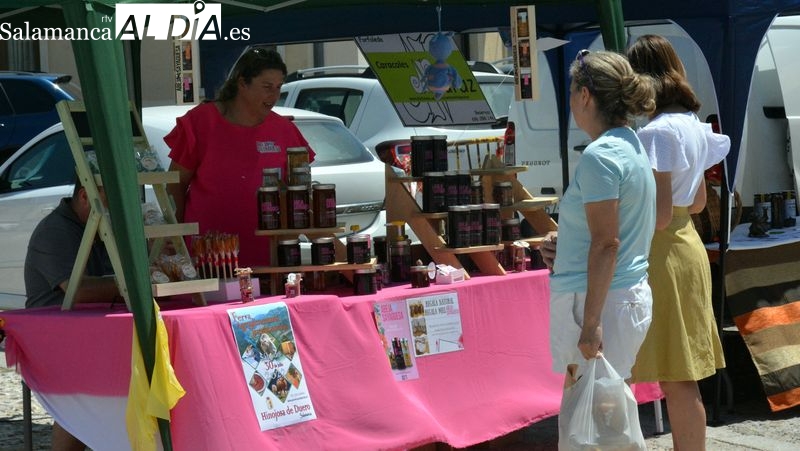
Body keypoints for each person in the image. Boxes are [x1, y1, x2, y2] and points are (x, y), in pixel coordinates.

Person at [627, 34, 729, 450]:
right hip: (688, 247)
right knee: (681, 374)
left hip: (663, 253)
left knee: (676, 376)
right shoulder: (692, 126)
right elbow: (700, 201)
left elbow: (660, 214)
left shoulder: (656, 133)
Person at [542, 50, 656, 390]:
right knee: (605, 417)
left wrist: (590, 325)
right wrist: (565, 248)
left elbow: (607, 242)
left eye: (573, 90)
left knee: (590, 426)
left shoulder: (601, 155)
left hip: (599, 300)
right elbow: (612, 232)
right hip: (619, 294)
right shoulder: (629, 144)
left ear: (585, 95)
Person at [165, 48, 315, 267]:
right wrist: (174, 237)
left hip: (270, 260)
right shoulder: (201, 122)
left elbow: (300, 193)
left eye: (278, 87)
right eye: (266, 87)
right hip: (210, 257)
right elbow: (175, 185)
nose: (274, 95)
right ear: (242, 83)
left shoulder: (284, 129)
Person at [24, 179, 119, 451]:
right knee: (84, 388)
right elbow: (76, 291)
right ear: (84, 197)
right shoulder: (54, 231)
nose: (111, 211)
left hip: (92, 331)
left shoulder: (97, 225)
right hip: (52, 338)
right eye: (107, 203)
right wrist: (130, 285)